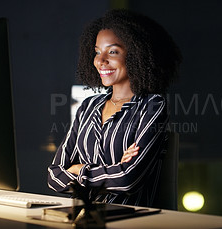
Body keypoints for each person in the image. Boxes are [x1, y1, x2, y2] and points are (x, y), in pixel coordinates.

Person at [47, 9, 181, 207]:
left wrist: (79, 169)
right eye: (97, 52)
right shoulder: (88, 107)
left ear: (137, 55)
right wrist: (114, 168)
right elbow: (54, 175)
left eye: (113, 51)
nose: (100, 61)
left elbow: (128, 179)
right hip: (85, 217)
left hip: (128, 219)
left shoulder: (152, 105)